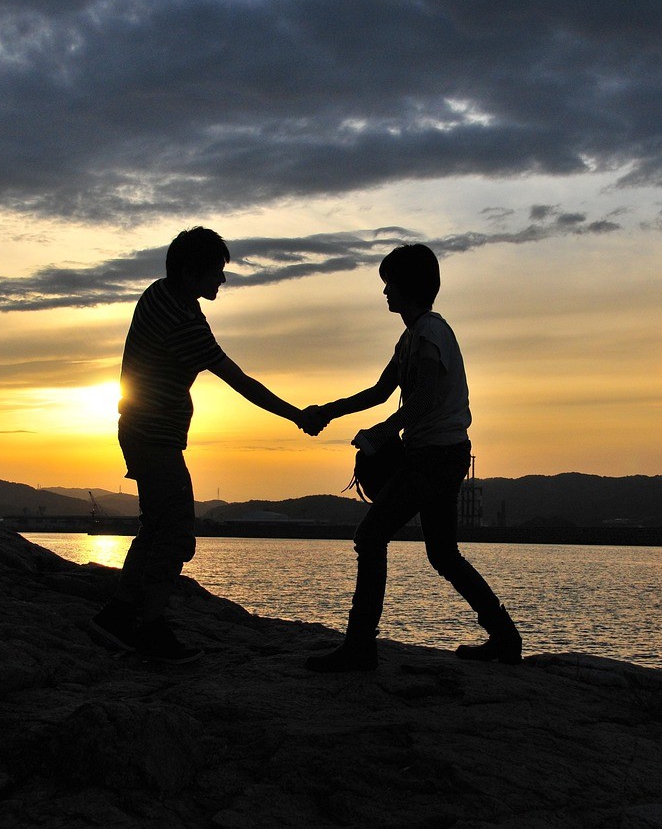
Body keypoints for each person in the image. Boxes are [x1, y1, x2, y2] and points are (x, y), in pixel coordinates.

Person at [89, 226, 316, 663]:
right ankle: (149, 630)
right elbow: (240, 382)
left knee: (155, 526)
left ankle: (116, 617)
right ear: (192, 272)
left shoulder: (158, 294)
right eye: (217, 271)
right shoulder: (185, 321)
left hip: (138, 430)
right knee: (174, 533)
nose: (223, 281)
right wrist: (297, 415)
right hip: (155, 438)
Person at [302, 243, 522, 672]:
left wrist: (384, 432)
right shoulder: (411, 336)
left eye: (389, 284)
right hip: (439, 454)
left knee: (370, 536)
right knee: (442, 553)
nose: (384, 292)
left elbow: (423, 399)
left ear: (408, 287)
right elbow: (380, 392)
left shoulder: (430, 333)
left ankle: (360, 647)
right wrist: (326, 411)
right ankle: (505, 637)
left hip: (435, 456)